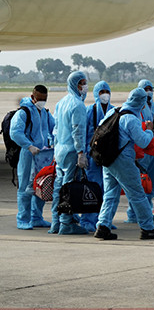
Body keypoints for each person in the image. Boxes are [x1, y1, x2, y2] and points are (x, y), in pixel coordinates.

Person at [93, 88, 154, 241]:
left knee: (110, 194)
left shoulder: (113, 112)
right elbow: (143, 142)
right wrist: (149, 131)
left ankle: (103, 226)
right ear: (141, 103)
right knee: (137, 194)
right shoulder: (131, 119)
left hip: (108, 159)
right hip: (123, 161)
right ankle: (147, 228)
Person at [49, 70, 90, 235]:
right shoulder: (78, 105)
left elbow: (56, 129)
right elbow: (77, 131)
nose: (85, 86)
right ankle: (66, 223)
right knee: (69, 188)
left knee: (59, 188)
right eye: (82, 83)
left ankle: (55, 222)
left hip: (60, 150)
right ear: (76, 84)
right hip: (72, 151)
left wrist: (55, 148)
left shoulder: (61, 103)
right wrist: (81, 152)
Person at [11, 85, 53, 230]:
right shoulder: (24, 112)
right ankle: (23, 219)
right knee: (25, 187)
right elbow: (15, 132)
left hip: (43, 155)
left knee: (41, 185)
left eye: (44, 99)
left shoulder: (45, 113)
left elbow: (54, 128)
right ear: (32, 97)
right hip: (28, 155)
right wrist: (29, 146)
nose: (42, 102)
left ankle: (36, 217)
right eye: (39, 99)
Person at [81, 80, 113, 232]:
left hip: (108, 155)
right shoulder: (89, 111)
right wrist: (82, 153)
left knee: (107, 189)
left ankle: (103, 219)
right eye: (101, 92)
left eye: (107, 92)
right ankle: (87, 219)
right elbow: (82, 133)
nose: (104, 95)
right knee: (92, 188)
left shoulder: (113, 111)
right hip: (92, 155)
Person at [129, 79, 154, 222]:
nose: (149, 92)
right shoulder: (137, 108)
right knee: (139, 182)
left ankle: (147, 211)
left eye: (150, 89)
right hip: (142, 148)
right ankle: (133, 213)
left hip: (153, 148)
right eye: (145, 89)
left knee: (150, 183)